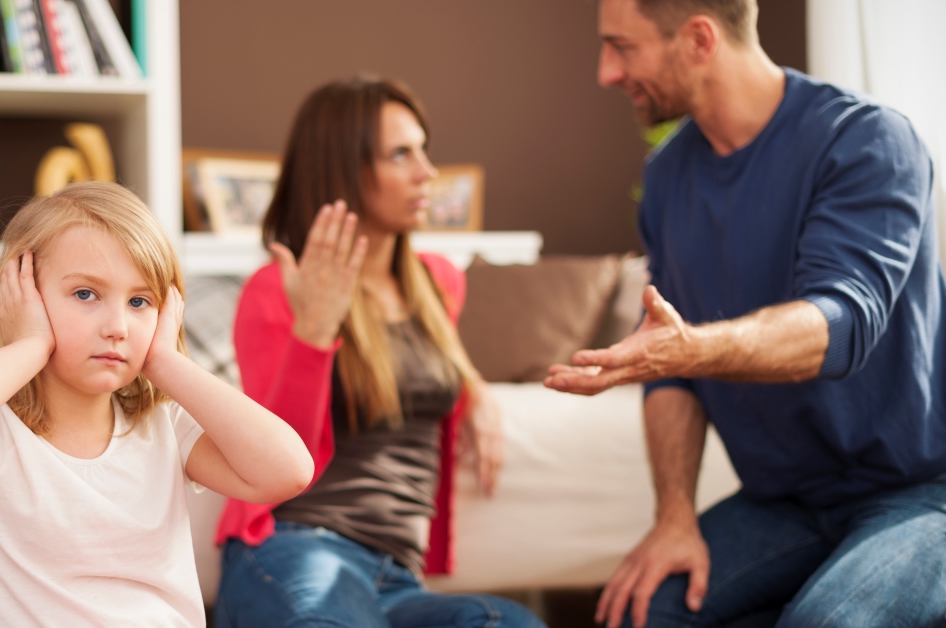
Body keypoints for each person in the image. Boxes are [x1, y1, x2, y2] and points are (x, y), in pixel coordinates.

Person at [543, 0, 946, 626]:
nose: (606, 72)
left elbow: (841, 327)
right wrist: (673, 518)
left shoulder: (866, 139)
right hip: (783, 502)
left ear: (699, 39)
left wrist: (693, 350)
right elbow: (671, 365)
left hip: (921, 493)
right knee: (635, 615)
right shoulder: (668, 176)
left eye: (623, 46)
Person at [0, 182, 314, 626]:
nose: (117, 326)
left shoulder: (164, 426)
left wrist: (167, 363)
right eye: (85, 294)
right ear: (23, 296)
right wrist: (32, 343)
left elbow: (288, 472)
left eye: (139, 301)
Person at [213, 77, 545, 627]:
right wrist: (316, 328)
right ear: (344, 170)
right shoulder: (275, 290)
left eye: (423, 149)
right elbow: (274, 457)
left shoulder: (437, 282)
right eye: (400, 154)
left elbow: (431, 369)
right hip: (294, 548)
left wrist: (478, 390)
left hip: (398, 577)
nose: (427, 173)